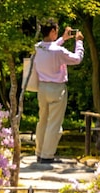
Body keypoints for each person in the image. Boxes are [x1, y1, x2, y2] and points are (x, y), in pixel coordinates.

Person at [34, 20, 83, 164]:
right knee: (54, 123)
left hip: (42, 87)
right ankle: (47, 155)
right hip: (56, 88)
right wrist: (78, 42)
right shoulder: (58, 51)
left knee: (42, 120)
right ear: (52, 31)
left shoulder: (38, 47)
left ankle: (39, 151)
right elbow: (77, 59)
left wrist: (63, 38)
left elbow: (50, 47)